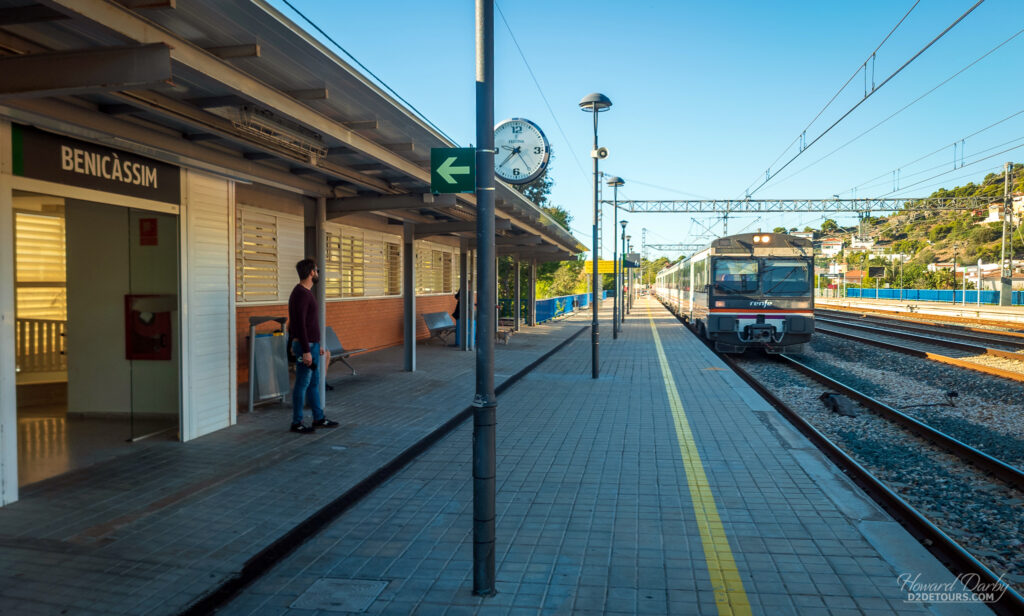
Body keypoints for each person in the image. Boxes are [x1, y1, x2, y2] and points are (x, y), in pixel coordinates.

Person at [287, 258, 339, 433]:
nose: (318, 273)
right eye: (317, 270)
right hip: (305, 347)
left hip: (312, 345)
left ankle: (318, 418)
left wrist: (317, 345)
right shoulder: (301, 294)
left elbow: (308, 323)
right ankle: (297, 422)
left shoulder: (304, 293)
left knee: (314, 382)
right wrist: (307, 350)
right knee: (302, 383)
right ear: (311, 272)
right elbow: (299, 325)